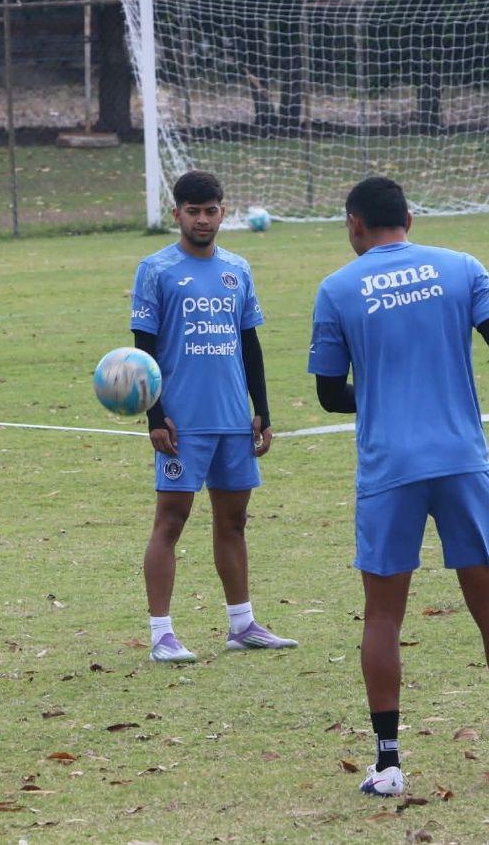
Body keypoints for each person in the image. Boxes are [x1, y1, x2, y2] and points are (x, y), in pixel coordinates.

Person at [308, 176, 489, 795]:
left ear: (354, 224)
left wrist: (379, 392)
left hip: (389, 470)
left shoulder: (337, 289)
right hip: (462, 461)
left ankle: (387, 763)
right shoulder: (462, 269)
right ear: (410, 217)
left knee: (383, 613)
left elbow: (329, 394)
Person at [130, 170, 297, 663]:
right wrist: (155, 417)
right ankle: (161, 633)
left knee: (234, 520)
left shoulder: (237, 269)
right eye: (193, 211)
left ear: (223, 212)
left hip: (232, 419)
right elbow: (143, 350)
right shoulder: (156, 269)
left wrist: (261, 410)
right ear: (177, 213)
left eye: (211, 210)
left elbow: (249, 342)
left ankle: (242, 625)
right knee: (171, 520)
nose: (202, 220)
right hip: (184, 422)